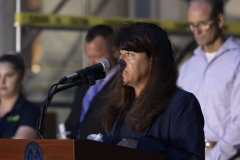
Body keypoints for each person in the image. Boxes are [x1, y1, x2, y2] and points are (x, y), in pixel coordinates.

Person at [100, 22, 205, 159]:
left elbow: (192, 158)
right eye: (121, 53)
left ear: (153, 60)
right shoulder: (123, 105)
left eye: (130, 54)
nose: (121, 60)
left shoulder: (181, 103)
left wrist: (141, 147)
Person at [178, 0, 240, 159]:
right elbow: (179, 117)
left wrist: (214, 157)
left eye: (202, 24)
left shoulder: (237, 60)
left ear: (219, 20)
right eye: (191, 25)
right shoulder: (188, 67)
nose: (196, 31)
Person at [64, 25, 119, 139]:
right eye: (88, 57)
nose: (91, 63)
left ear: (114, 52)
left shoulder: (123, 84)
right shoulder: (85, 83)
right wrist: (65, 135)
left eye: (97, 57)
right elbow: (73, 120)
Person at [0, 53, 40, 139]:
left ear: (22, 77)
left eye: (9, 75)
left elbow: (19, 144)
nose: (2, 81)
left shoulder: (31, 110)